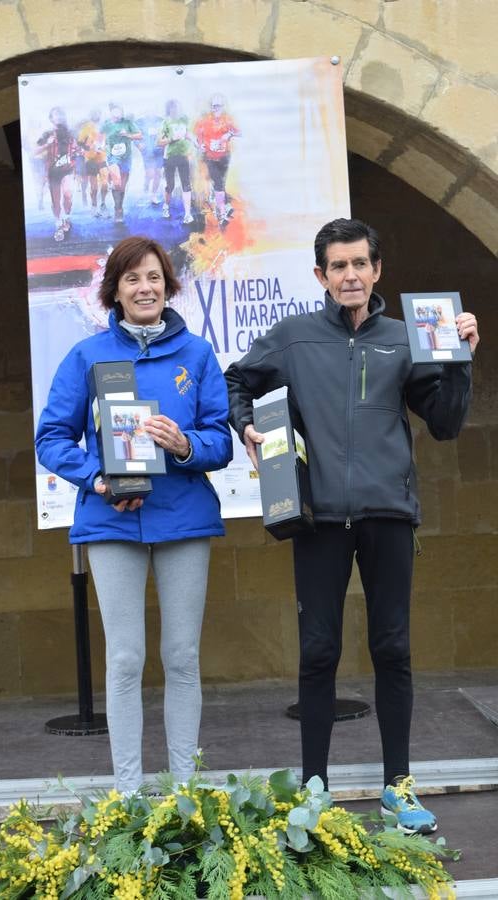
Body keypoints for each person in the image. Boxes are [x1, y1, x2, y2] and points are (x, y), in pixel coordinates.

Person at [225, 218, 479, 834]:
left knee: (393, 649)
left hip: (388, 514)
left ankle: (398, 788)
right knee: (319, 652)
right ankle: (315, 791)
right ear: (321, 276)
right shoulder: (292, 338)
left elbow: (444, 423)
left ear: (377, 270)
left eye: (360, 264)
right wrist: (248, 428)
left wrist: (460, 362)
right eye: (337, 266)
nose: (350, 275)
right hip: (319, 519)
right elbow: (236, 381)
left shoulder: (405, 337)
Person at [36, 236, 233, 794]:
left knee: (182, 656)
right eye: (132, 279)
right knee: (124, 659)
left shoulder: (196, 356)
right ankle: (128, 796)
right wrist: (96, 477)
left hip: (183, 519)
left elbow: (219, 439)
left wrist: (184, 443)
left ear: (168, 285)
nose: (144, 288)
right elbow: (52, 438)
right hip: (110, 521)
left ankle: (186, 793)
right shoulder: (87, 356)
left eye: (153, 277)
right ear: (114, 292)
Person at [195, 93, 240, 226]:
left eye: (219, 106)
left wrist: (229, 134)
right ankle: (222, 214)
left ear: (223, 106)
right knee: (219, 184)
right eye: (214, 106)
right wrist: (200, 145)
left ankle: (220, 205)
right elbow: (198, 138)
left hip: (225, 157)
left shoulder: (228, 120)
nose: (216, 109)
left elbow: (240, 132)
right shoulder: (204, 122)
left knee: (221, 184)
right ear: (211, 107)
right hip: (210, 158)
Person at [36, 106, 78, 242]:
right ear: (51, 118)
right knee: (56, 201)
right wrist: (47, 144)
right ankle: (58, 222)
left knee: (68, 194)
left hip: (68, 169)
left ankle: (66, 218)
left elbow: (78, 147)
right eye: (55, 115)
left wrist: (80, 151)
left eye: (61, 115)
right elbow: (35, 151)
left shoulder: (70, 132)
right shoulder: (47, 134)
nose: (59, 117)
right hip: (53, 172)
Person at [102, 104, 142, 223]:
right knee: (117, 183)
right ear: (111, 112)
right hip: (113, 156)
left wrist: (127, 135)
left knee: (122, 187)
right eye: (115, 111)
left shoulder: (128, 123)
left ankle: (118, 208)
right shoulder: (107, 125)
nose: (118, 113)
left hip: (126, 157)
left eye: (120, 111)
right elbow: (99, 137)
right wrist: (101, 145)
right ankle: (118, 210)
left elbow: (139, 135)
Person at [159, 99, 195, 224]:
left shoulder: (184, 119)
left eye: (177, 107)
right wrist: (172, 139)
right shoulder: (165, 122)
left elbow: (188, 134)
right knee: (171, 185)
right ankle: (166, 206)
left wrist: (195, 142)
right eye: (173, 107)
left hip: (183, 156)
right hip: (169, 157)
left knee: (186, 184)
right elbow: (159, 142)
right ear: (169, 109)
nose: (175, 110)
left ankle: (188, 214)